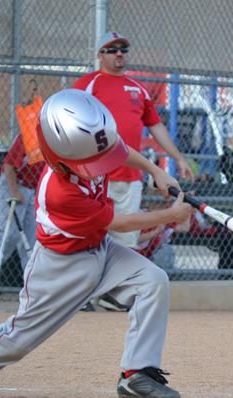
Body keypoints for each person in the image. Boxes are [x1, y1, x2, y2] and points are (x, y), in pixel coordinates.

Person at [0, 89, 195, 398]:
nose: (101, 163)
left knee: (152, 281)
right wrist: (172, 215)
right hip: (60, 269)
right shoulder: (60, 193)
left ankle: (136, 374)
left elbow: (119, 149)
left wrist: (155, 171)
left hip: (99, 250)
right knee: (18, 340)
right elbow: (120, 223)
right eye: (93, 160)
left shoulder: (88, 144)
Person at [72, 31, 194, 248]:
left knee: (126, 244)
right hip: (96, 176)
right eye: (112, 50)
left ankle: (119, 271)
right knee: (91, 241)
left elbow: (155, 125)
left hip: (130, 178)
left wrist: (178, 158)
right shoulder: (87, 84)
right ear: (100, 55)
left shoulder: (138, 88)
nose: (119, 54)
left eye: (123, 49)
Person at [0, 133, 44, 271]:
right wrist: (15, 191)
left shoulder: (57, 141)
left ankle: (31, 279)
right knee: (10, 234)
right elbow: (8, 165)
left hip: (32, 190)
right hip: (12, 185)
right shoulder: (30, 135)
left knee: (32, 240)